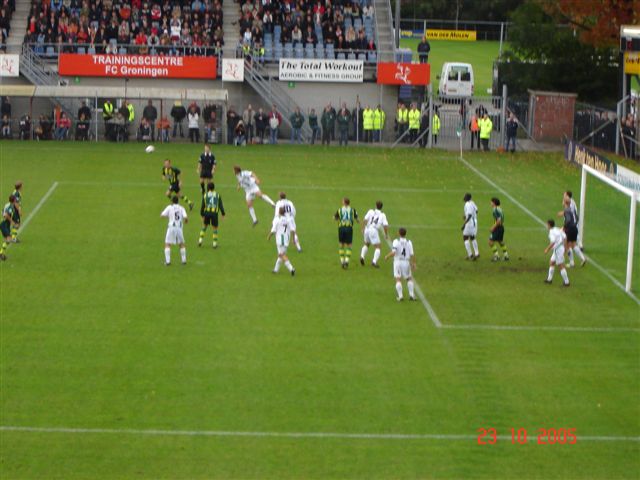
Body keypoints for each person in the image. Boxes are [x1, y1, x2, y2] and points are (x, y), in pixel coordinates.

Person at [384, 228, 417, 301]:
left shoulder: (396, 241)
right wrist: (414, 263)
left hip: (398, 262)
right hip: (406, 262)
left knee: (398, 279)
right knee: (409, 278)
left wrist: (387, 256)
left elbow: (394, 252)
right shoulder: (409, 242)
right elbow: (412, 254)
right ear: (405, 234)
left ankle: (400, 296)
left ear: (399, 233)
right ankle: (411, 295)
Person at [268, 206, 296, 275]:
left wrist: (269, 236)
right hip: (286, 238)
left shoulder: (277, 220)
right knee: (281, 255)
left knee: (282, 254)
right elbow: (293, 230)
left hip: (281, 239)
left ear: (279, 212)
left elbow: (273, 230)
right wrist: (293, 239)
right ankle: (275, 270)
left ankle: (291, 269)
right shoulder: (288, 220)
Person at [558, 196, 586, 268]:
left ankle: (571, 263)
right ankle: (583, 258)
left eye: (563, 201)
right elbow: (576, 217)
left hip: (569, 229)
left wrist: (564, 227)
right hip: (574, 228)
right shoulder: (571, 209)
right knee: (573, 245)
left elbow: (568, 220)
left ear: (564, 202)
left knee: (566, 245)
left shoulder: (567, 210)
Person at [160, 196, 188, 266]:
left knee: (167, 244)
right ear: (178, 201)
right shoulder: (182, 208)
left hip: (171, 227)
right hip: (179, 228)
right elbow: (185, 217)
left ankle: (168, 262)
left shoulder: (169, 207)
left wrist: (169, 216)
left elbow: (162, 215)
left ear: (172, 201)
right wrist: (186, 221)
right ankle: (184, 261)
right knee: (181, 244)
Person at [360, 200, 389, 268]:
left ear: (375, 206)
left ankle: (362, 256)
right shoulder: (382, 215)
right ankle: (374, 262)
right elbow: (385, 225)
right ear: (381, 207)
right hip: (373, 230)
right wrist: (386, 234)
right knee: (378, 247)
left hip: (367, 229)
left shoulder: (370, 211)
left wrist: (362, 228)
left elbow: (365, 220)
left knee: (366, 244)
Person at [199, 182, 225, 248]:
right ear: (214, 187)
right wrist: (223, 214)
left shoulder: (205, 195)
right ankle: (214, 244)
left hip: (207, 213)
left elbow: (202, 206)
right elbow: (220, 205)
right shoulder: (217, 195)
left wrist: (202, 214)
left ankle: (200, 240)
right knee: (215, 229)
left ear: (207, 188)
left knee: (204, 227)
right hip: (214, 214)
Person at [334, 197, 359, 268]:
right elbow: (357, 219)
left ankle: (342, 261)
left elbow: (335, 218)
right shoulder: (352, 210)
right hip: (349, 228)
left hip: (341, 228)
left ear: (344, 202)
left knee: (341, 244)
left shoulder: (340, 210)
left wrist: (339, 219)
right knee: (349, 245)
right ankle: (347, 261)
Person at [544, 219, 570, 286]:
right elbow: (565, 237)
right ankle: (549, 279)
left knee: (561, 265)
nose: (546, 225)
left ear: (549, 225)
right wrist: (565, 248)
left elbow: (553, 242)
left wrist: (547, 249)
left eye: (547, 224)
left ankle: (566, 282)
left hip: (558, 250)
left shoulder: (551, 232)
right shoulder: (557, 229)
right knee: (552, 262)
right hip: (559, 249)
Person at [488, 197, 509, 262]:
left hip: (498, 228)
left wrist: (493, 227)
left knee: (490, 242)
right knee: (500, 242)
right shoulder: (499, 209)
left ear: (494, 203)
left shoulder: (495, 210)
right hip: (501, 227)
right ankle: (506, 256)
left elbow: (499, 221)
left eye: (491, 202)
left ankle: (496, 256)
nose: (490, 203)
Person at [0, 195, 19, 260]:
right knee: (9, 239)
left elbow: (3, 211)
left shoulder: (7, 204)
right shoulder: (11, 207)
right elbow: (7, 215)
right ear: (14, 200)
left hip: (5, 223)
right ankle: (1, 254)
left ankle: (1, 254)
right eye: (15, 199)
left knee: (7, 239)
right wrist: (12, 222)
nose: (16, 200)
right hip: (4, 224)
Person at [462, 193, 479, 260]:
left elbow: (469, 215)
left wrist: (464, 224)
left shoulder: (467, 204)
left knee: (465, 237)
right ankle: (477, 253)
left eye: (464, 196)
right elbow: (476, 211)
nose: (463, 197)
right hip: (475, 221)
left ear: (466, 198)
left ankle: (470, 255)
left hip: (469, 223)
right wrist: (467, 215)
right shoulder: (472, 202)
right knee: (472, 237)